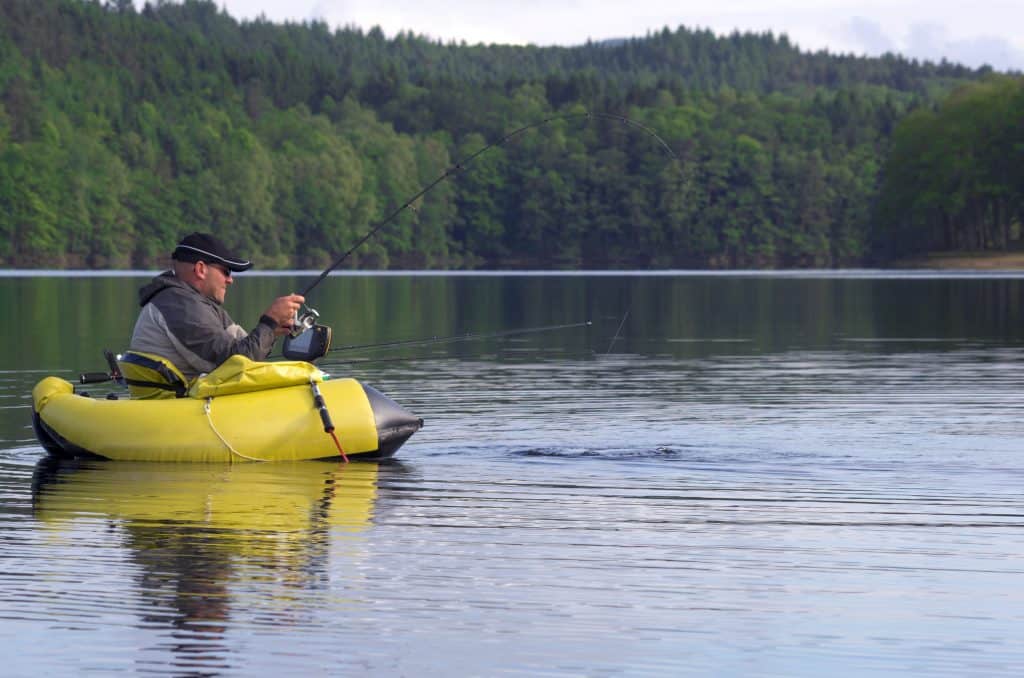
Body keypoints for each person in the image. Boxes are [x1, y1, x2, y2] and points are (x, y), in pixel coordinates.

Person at [129, 232, 304, 381]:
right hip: (173, 407)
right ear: (200, 269)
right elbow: (235, 363)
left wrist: (271, 331)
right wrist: (269, 321)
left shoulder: (194, 302)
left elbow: (243, 350)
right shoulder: (180, 306)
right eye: (226, 271)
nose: (230, 279)